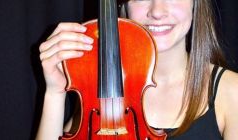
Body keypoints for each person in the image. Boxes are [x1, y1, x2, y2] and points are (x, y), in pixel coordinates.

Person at [36, 0, 238, 139]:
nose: (157, 11)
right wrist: (55, 93)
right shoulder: (101, 85)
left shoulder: (231, 92)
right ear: (124, 7)